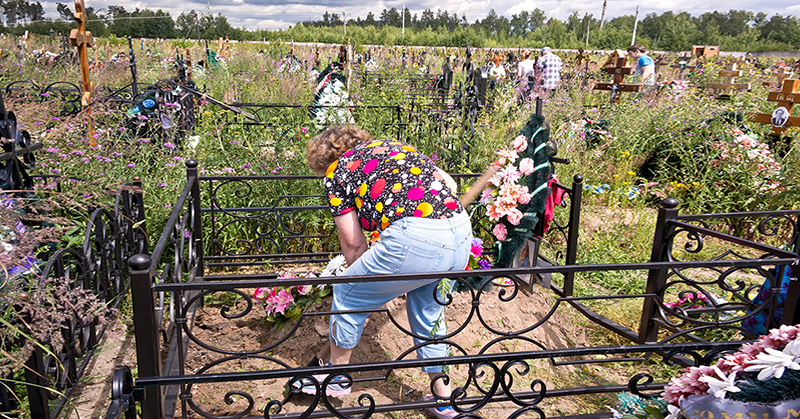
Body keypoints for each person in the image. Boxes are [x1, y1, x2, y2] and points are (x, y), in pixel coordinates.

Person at [303, 125, 473, 419]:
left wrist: (362, 289)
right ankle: (443, 400)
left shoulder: (337, 170)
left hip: (416, 238)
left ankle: (335, 376)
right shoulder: (396, 147)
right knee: (429, 314)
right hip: (459, 233)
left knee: (346, 291)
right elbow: (449, 184)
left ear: (324, 159)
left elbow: (354, 244)